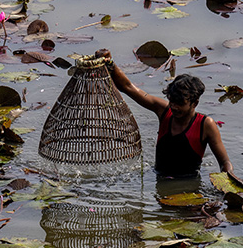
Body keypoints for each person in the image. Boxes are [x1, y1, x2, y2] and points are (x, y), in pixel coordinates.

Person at [96, 49, 232, 178]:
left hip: (188, 183)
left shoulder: (205, 124)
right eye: (172, 102)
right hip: (159, 177)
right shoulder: (164, 111)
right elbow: (128, 87)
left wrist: (227, 184)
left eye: (180, 104)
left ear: (194, 103)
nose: (174, 107)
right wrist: (110, 64)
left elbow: (224, 163)